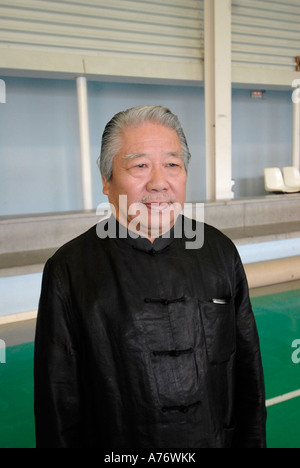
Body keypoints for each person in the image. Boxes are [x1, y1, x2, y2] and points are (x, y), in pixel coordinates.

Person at [34, 105, 267, 448]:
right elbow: (59, 402)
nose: (159, 183)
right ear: (106, 181)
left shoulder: (220, 251)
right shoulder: (70, 270)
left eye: (172, 165)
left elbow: (248, 373)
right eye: (140, 165)